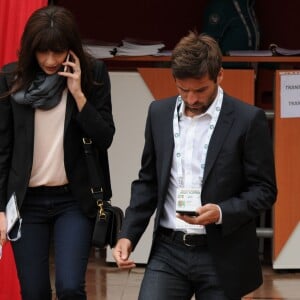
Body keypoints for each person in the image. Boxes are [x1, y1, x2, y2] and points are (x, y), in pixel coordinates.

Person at [113, 31, 277, 300]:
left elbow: (265, 190)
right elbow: (148, 182)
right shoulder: (158, 113)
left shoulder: (248, 120)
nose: (191, 99)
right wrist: (127, 235)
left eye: (200, 90)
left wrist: (221, 212)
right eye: (182, 90)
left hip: (221, 253)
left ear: (219, 75)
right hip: (169, 249)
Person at [0, 5, 115, 300]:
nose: (51, 61)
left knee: (69, 287)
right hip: (27, 203)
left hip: (73, 200)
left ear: (71, 47)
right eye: (42, 52)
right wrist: (1, 208)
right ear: (30, 49)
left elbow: (105, 137)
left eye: (58, 51)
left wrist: (78, 94)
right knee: (35, 291)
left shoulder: (93, 74)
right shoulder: (10, 77)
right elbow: (3, 149)